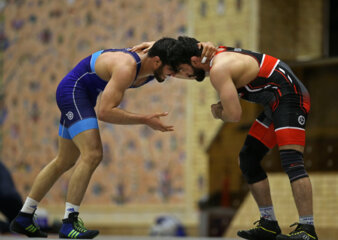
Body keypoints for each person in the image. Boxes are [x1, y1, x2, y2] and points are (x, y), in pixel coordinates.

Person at [10, 38, 216, 239]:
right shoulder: (127, 66)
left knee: (64, 161)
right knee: (93, 154)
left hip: (82, 95)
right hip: (73, 92)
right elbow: (105, 112)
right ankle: (69, 223)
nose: (173, 75)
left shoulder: (158, 59)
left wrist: (209, 52)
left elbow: (187, 68)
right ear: (157, 62)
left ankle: (24, 216)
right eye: (171, 71)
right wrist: (145, 119)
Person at [164, 36, 318, 240]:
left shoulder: (218, 69)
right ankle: (269, 223)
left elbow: (234, 115)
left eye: (181, 70)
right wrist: (150, 48)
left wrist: (219, 111)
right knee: (248, 159)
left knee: (292, 160)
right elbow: (180, 46)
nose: (183, 75)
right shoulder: (206, 52)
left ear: (193, 60)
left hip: (291, 97)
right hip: (276, 102)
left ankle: (307, 230)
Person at [0, 161, 23, 233]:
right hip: (14, 197)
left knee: (17, 226)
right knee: (19, 224)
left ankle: (7, 227)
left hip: (5, 196)